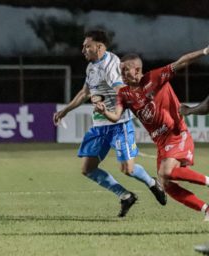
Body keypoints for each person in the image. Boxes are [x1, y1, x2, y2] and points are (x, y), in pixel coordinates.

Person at [53, 30, 166, 218]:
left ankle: (153, 183)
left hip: (119, 124)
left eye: (86, 46)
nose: (83, 50)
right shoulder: (91, 67)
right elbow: (84, 93)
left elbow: (122, 89)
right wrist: (64, 111)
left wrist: (130, 104)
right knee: (87, 169)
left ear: (99, 46)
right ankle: (125, 196)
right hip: (99, 126)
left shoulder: (111, 64)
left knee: (128, 169)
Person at [94, 45, 209, 220]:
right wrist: (104, 111)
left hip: (176, 133)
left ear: (137, 69)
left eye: (125, 70)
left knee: (166, 172)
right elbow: (116, 116)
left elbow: (181, 62)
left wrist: (204, 52)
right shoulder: (124, 94)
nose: (122, 74)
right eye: (120, 71)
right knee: (167, 184)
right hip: (161, 143)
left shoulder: (154, 77)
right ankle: (206, 209)